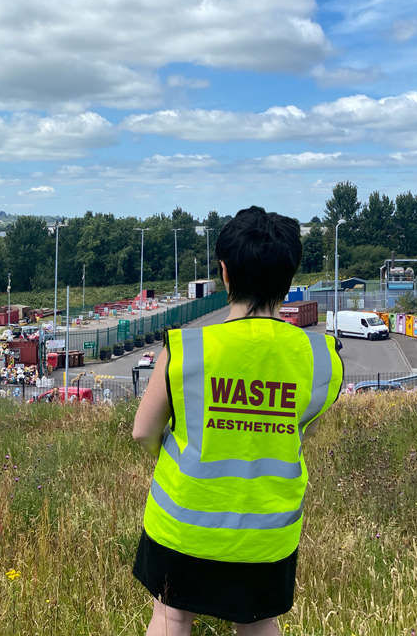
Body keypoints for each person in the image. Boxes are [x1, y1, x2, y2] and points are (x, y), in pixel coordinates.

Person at [132, 207, 343, 636]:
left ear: (224, 273)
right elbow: (303, 431)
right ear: (288, 277)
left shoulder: (189, 348)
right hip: (267, 533)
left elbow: (143, 431)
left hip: (182, 526)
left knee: (171, 615)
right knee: (258, 621)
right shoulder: (322, 359)